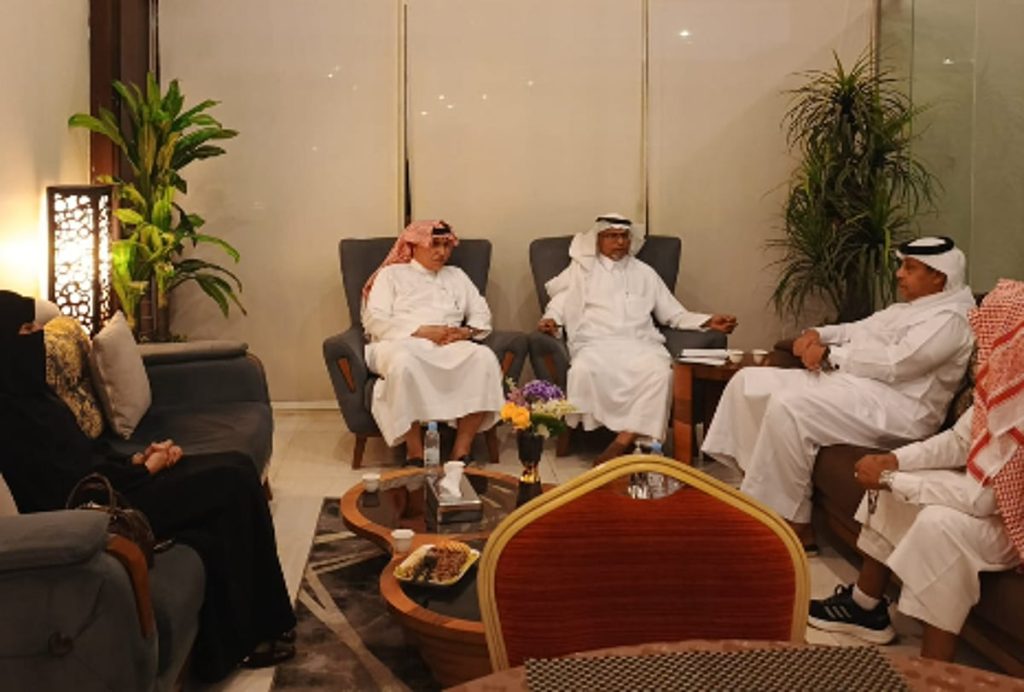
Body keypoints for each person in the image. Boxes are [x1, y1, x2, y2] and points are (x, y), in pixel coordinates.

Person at [0, 290, 297, 682]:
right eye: (26, 329)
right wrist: (145, 471)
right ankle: (260, 629)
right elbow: (66, 491)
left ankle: (254, 628)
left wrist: (138, 459)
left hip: (120, 480)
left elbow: (87, 454)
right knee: (233, 483)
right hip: (104, 509)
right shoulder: (10, 420)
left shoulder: (34, 395)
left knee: (236, 466)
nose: (37, 335)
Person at [702, 236, 976, 551]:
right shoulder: (911, 308)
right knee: (747, 381)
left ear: (938, 276)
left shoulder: (951, 319)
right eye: (902, 265)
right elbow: (856, 328)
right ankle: (759, 494)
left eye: (910, 268)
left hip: (900, 410)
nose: (899, 274)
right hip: (861, 388)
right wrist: (816, 334)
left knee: (790, 407)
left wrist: (830, 354)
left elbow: (897, 364)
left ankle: (795, 523)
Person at [808, 279, 1023, 660]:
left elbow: (989, 502)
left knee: (939, 526)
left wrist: (894, 480)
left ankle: (935, 669)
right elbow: (961, 440)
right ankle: (865, 606)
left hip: (1013, 524)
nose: (983, 347)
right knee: (899, 489)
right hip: (989, 498)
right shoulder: (1008, 380)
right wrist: (895, 462)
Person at [537, 214, 737, 463]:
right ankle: (632, 436)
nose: (620, 242)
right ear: (598, 239)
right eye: (612, 236)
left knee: (661, 373)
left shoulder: (645, 273)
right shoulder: (582, 270)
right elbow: (560, 303)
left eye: (624, 236)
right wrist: (551, 320)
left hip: (641, 343)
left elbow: (673, 313)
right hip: (596, 343)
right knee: (583, 370)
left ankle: (622, 441)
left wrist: (707, 321)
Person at [362, 220, 505, 464]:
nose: (442, 252)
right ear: (414, 246)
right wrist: (421, 331)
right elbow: (374, 319)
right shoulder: (392, 275)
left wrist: (466, 332)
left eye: (446, 246)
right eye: (434, 245)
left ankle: (461, 451)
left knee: (484, 359)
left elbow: (481, 312)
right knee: (404, 363)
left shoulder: (456, 276)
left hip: (450, 344)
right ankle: (415, 453)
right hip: (401, 342)